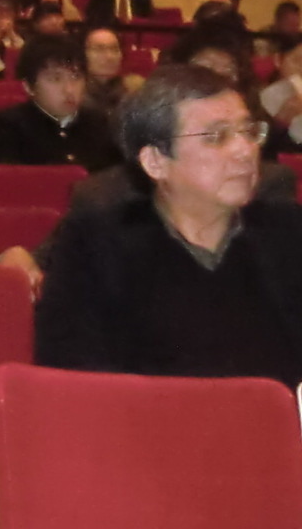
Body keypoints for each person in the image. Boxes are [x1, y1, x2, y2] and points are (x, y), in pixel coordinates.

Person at [34, 63, 302, 384]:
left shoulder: (289, 233)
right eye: (217, 136)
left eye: (248, 132)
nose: (245, 151)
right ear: (156, 161)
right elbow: (73, 372)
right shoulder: (96, 244)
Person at [0, 35, 119, 171]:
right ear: (28, 86)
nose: (69, 89)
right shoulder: (4, 128)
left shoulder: (101, 125)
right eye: (55, 79)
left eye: (76, 77)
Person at [81, 24, 140, 115]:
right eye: (99, 49)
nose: (109, 56)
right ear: (83, 54)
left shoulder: (133, 92)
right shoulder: (75, 95)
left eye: (114, 49)